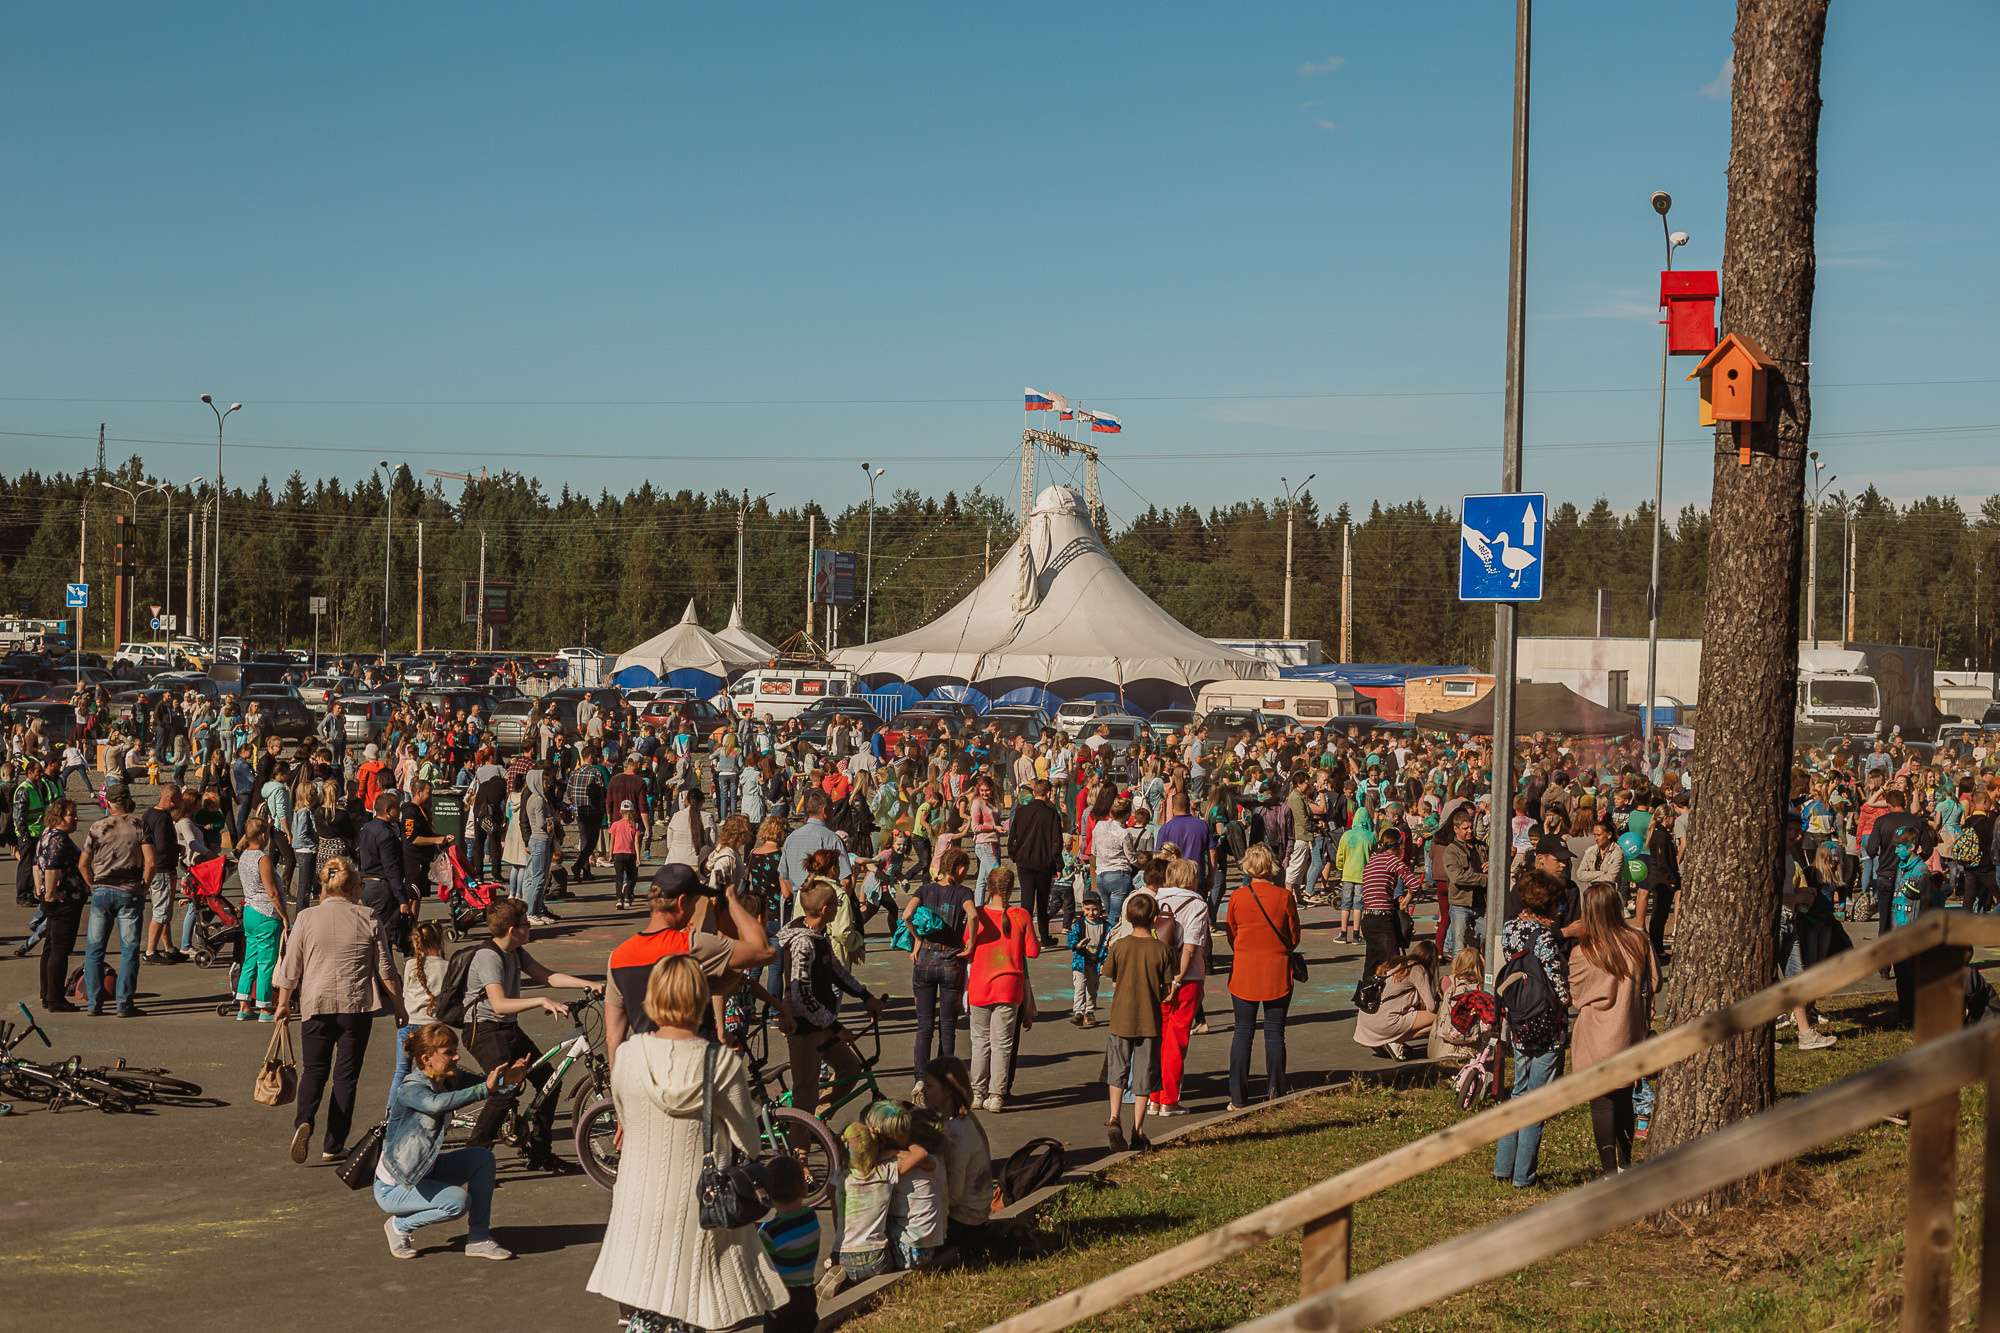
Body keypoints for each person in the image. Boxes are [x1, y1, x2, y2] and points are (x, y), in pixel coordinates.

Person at [585, 956, 787, 1333]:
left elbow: (626, 1120)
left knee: (650, 1305)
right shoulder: (722, 1064)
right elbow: (749, 1140)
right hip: (701, 1204)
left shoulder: (628, 1055)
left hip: (637, 1201)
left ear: (653, 997)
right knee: (694, 1307)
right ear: (700, 997)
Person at [273, 856, 408, 1165]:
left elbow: (291, 967)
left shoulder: (306, 918)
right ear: (353, 888)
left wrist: (283, 1003)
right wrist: (399, 1006)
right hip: (355, 1005)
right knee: (346, 1077)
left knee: (314, 1070)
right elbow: (385, 968)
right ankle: (334, 1143)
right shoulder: (368, 917)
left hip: (316, 1004)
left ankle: (304, 1120)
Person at [459, 897, 603, 1171]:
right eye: (526, 924)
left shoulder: (514, 951)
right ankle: (470, 1161)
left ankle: (540, 1152)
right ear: (512, 930)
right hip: (484, 1030)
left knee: (550, 1080)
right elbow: (499, 1004)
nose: (530, 927)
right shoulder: (489, 956)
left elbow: (547, 976)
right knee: (504, 1090)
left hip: (506, 1027)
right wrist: (540, 1000)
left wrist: (591, 985)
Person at [377, 1022, 525, 1261]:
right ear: (427, 1058)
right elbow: (437, 1104)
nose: (457, 1057)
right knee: (458, 1202)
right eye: (448, 1053)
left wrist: (512, 1076)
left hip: (427, 1171)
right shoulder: (411, 1089)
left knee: (482, 1158)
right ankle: (399, 1226)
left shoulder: (449, 1078)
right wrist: (484, 1089)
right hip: (396, 1187)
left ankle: (478, 1239)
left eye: (455, 1050)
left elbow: (485, 1084)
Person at [603, 862, 774, 1065]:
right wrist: (732, 900)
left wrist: (619, 1089)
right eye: (695, 904)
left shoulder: (618, 956)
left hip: (649, 1070)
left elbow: (613, 1038)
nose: (695, 911)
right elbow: (764, 951)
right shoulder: (692, 946)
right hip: (696, 1067)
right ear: (682, 902)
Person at [1568, 882, 1660, 1177]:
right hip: (1629, 1029)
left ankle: (1609, 1171)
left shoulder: (1583, 953)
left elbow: (1576, 997)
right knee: (1624, 1099)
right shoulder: (1638, 940)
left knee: (1602, 1104)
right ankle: (1625, 1164)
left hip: (1595, 1033)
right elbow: (1655, 982)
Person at [1491, 869, 1571, 1190]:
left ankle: (1502, 1166)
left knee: (1518, 1092)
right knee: (1537, 1100)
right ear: (1549, 905)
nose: (1560, 911)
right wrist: (1567, 999)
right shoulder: (1544, 936)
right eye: (1557, 905)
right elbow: (1556, 981)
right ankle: (1525, 1176)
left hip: (1519, 1017)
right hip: (1546, 1022)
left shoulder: (1512, 927)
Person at [778, 877, 886, 1115]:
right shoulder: (803, 943)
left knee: (850, 1069)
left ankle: (818, 1121)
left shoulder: (821, 935)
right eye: (838, 904)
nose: (841, 907)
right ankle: (800, 1149)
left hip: (821, 1024)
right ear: (827, 910)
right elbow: (801, 995)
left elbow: (836, 971)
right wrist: (836, 1027)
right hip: (803, 1026)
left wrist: (866, 996)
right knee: (806, 1092)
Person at [1224, 843, 1298, 1109]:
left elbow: (1232, 933)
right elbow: (1294, 935)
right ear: (1272, 867)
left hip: (1244, 969)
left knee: (1242, 1033)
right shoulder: (1284, 896)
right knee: (1275, 1034)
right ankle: (1275, 1093)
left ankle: (1238, 1097)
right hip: (1277, 970)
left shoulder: (1237, 897)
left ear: (1247, 866)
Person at [1103, 891, 1173, 1153]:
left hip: (1121, 1018)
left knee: (1117, 1070)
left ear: (1129, 918)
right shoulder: (1162, 950)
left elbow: (1112, 979)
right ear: (1155, 918)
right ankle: (1138, 1130)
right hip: (1149, 1021)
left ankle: (1114, 1117)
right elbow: (1166, 991)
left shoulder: (1119, 947)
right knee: (1144, 1074)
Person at [965, 867, 1037, 1112]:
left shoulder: (978, 915)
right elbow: (1033, 951)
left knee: (979, 1042)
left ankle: (977, 1091)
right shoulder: (1020, 915)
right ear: (1011, 887)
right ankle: (996, 1094)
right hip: (1009, 986)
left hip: (980, 984)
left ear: (988, 886)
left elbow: (968, 946)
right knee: (1002, 1044)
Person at [80, 781, 154, 1017]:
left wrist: (93, 884)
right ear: (128, 800)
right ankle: (124, 1002)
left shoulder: (97, 827)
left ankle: (94, 1002)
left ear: (108, 803)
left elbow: (83, 863)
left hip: (102, 889)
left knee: (94, 949)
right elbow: (151, 861)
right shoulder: (140, 825)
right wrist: (144, 886)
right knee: (129, 949)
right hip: (130, 890)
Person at [902, 846, 974, 1078]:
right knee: (947, 1026)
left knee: (924, 1026)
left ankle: (920, 1079)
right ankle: (943, 1078)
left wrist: (917, 938)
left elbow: (906, 915)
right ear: (960, 869)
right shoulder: (963, 892)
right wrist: (970, 943)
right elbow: (972, 915)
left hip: (925, 959)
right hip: (951, 960)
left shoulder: (924, 889)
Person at [1149, 857, 1210, 1117]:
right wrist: (1178, 979)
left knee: (1157, 1036)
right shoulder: (1196, 903)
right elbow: (1191, 946)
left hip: (1153, 973)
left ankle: (1152, 1096)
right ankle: (1169, 1099)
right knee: (1177, 1038)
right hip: (1186, 978)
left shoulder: (1155, 898)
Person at [32, 798, 88, 1013]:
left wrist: (41, 890)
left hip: (53, 897)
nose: (75, 818)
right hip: (64, 900)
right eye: (70, 814)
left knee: (50, 946)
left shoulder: (47, 834)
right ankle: (55, 998)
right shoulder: (59, 838)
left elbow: (37, 863)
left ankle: (47, 994)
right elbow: (52, 867)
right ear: (58, 817)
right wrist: (51, 894)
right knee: (60, 950)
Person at [231, 817, 290, 1020]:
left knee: (250, 959)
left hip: (249, 911)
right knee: (266, 962)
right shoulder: (262, 859)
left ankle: (244, 1004)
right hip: (266, 912)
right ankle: (265, 1007)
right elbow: (272, 891)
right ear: (263, 835)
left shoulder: (244, 857)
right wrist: (284, 915)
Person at [389, 920, 450, 1106]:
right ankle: (433, 1108)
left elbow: (406, 993)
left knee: (401, 1071)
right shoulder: (446, 966)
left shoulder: (410, 965)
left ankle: (390, 1113)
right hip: (432, 1028)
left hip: (409, 1024)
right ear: (439, 941)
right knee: (434, 1072)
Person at [759, 1156, 822, 1333]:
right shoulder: (810, 1217)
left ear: (769, 1196)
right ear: (804, 1190)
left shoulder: (769, 1232)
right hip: (807, 1293)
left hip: (782, 1298)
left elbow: (761, 1265)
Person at [1355, 940, 1439, 1060]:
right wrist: (1438, 1001)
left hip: (1367, 1019)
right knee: (1438, 1019)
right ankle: (1396, 1041)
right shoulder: (1417, 969)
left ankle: (1385, 1042)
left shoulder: (1396, 962)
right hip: (1385, 1021)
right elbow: (1431, 1007)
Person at [1007, 778, 1066, 944]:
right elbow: (1056, 841)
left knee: (1026, 900)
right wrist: (1058, 864)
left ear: (1034, 793)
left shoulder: (1021, 811)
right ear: (1048, 794)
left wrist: (1014, 854)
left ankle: (1023, 935)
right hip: (1043, 862)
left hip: (1024, 861)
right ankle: (1044, 936)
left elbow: (1013, 836)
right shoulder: (1051, 813)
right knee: (1042, 901)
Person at [141, 781, 184, 964]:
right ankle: (150, 952)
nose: (182, 802)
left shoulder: (149, 814)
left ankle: (169, 948)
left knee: (164, 910)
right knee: (160, 912)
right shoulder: (164, 818)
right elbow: (163, 846)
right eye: (180, 799)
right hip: (164, 869)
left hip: (151, 869)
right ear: (172, 799)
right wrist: (178, 848)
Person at [1067, 891, 1109, 1027]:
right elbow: (1071, 937)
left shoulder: (1106, 926)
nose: (1091, 913)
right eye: (1088, 909)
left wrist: (1104, 962)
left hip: (1095, 962)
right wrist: (1077, 945)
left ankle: (1090, 1011)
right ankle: (1078, 1012)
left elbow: (1108, 945)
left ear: (1100, 908)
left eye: (1095, 909)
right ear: (1083, 908)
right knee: (1079, 987)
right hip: (1081, 961)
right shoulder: (1079, 924)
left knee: (1092, 988)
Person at [609, 800, 643, 909]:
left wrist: (610, 854)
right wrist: (638, 857)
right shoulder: (635, 825)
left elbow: (612, 841)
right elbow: (636, 843)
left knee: (619, 877)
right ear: (633, 812)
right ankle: (628, 897)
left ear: (620, 811)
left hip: (618, 853)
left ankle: (619, 899)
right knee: (629, 877)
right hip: (630, 854)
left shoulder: (615, 825)